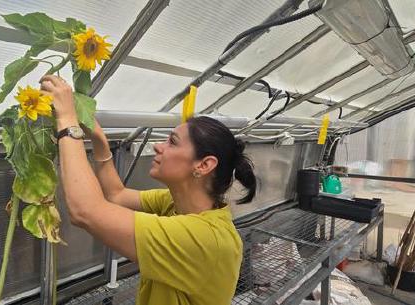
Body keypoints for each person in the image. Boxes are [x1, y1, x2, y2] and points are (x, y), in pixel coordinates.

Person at [40, 75, 258, 305]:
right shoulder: (176, 204)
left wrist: (67, 122)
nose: (157, 146)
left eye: (172, 142)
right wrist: (100, 141)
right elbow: (117, 195)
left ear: (203, 165)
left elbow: (85, 211)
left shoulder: (204, 239)